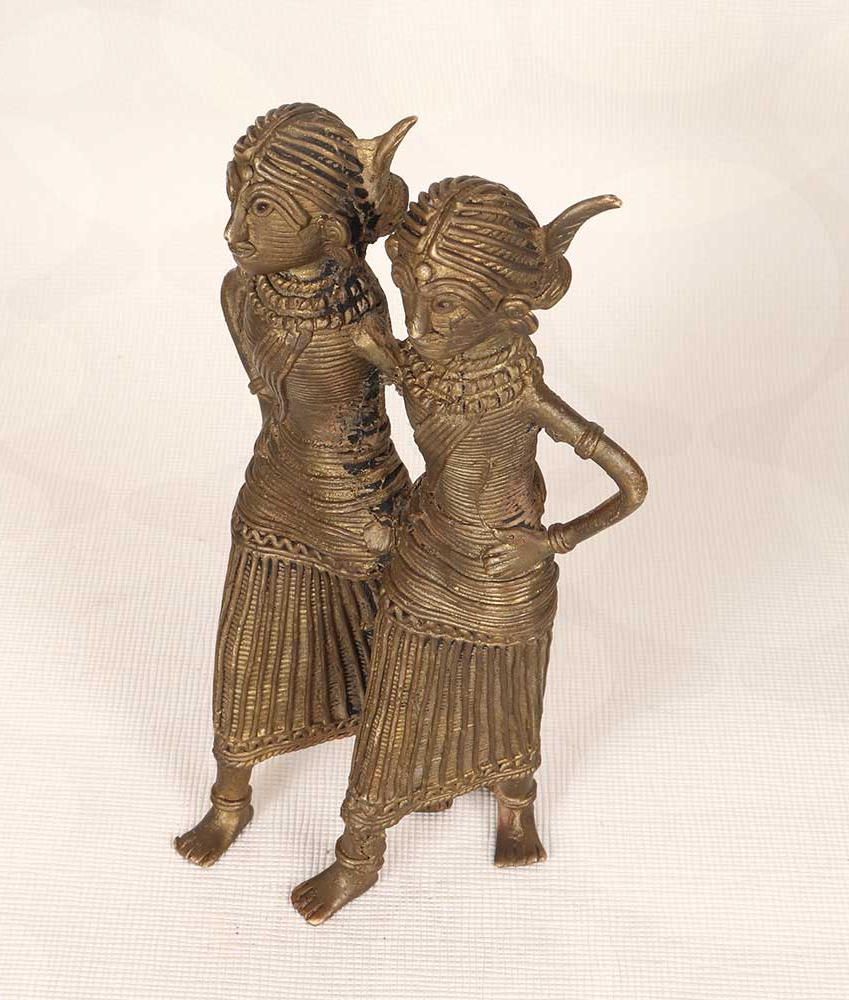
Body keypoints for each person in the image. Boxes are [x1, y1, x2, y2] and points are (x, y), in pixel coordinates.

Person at [291, 176, 647, 922]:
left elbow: (632, 485)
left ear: (510, 312)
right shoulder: (426, 361)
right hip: (427, 554)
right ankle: (359, 854)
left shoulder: (522, 392)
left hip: (506, 570)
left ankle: (516, 802)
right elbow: (408, 368)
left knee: (511, 696)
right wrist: (367, 345)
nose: (420, 323)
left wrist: (551, 542)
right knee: (395, 703)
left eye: (446, 306)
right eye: (410, 294)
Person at [175, 104, 415, 866]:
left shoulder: (360, 310)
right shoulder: (240, 293)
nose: (234, 231)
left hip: (362, 503)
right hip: (277, 490)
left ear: (332, 230)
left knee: (403, 646)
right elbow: (273, 398)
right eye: (237, 202)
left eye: (263, 210)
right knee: (248, 653)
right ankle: (230, 797)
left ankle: (412, 767)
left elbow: (418, 400)